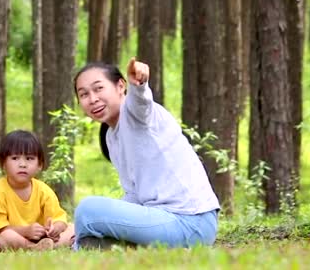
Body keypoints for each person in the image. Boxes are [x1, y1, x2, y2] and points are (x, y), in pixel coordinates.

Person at [73, 58, 220, 249]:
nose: (92, 99)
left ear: (120, 86)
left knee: (87, 210)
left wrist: (139, 84)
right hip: (161, 221)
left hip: (191, 221)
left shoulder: (134, 114)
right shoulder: (112, 137)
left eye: (99, 88)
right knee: (90, 233)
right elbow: (133, 195)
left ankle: (84, 242)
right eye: (84, 95)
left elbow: (140, 102)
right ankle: (103, 245)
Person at [0, 130, 74, 250]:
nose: (22, 164)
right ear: (3, 163)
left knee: (72, 228)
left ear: (40, 165)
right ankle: (33, 247)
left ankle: (47, 246)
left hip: (43, 237)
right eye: (15, 158)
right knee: (4, 237)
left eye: (29, 158)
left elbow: (59, 218)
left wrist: (55, 228)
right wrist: (26, 231)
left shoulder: (43, 190)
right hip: (15, 237)